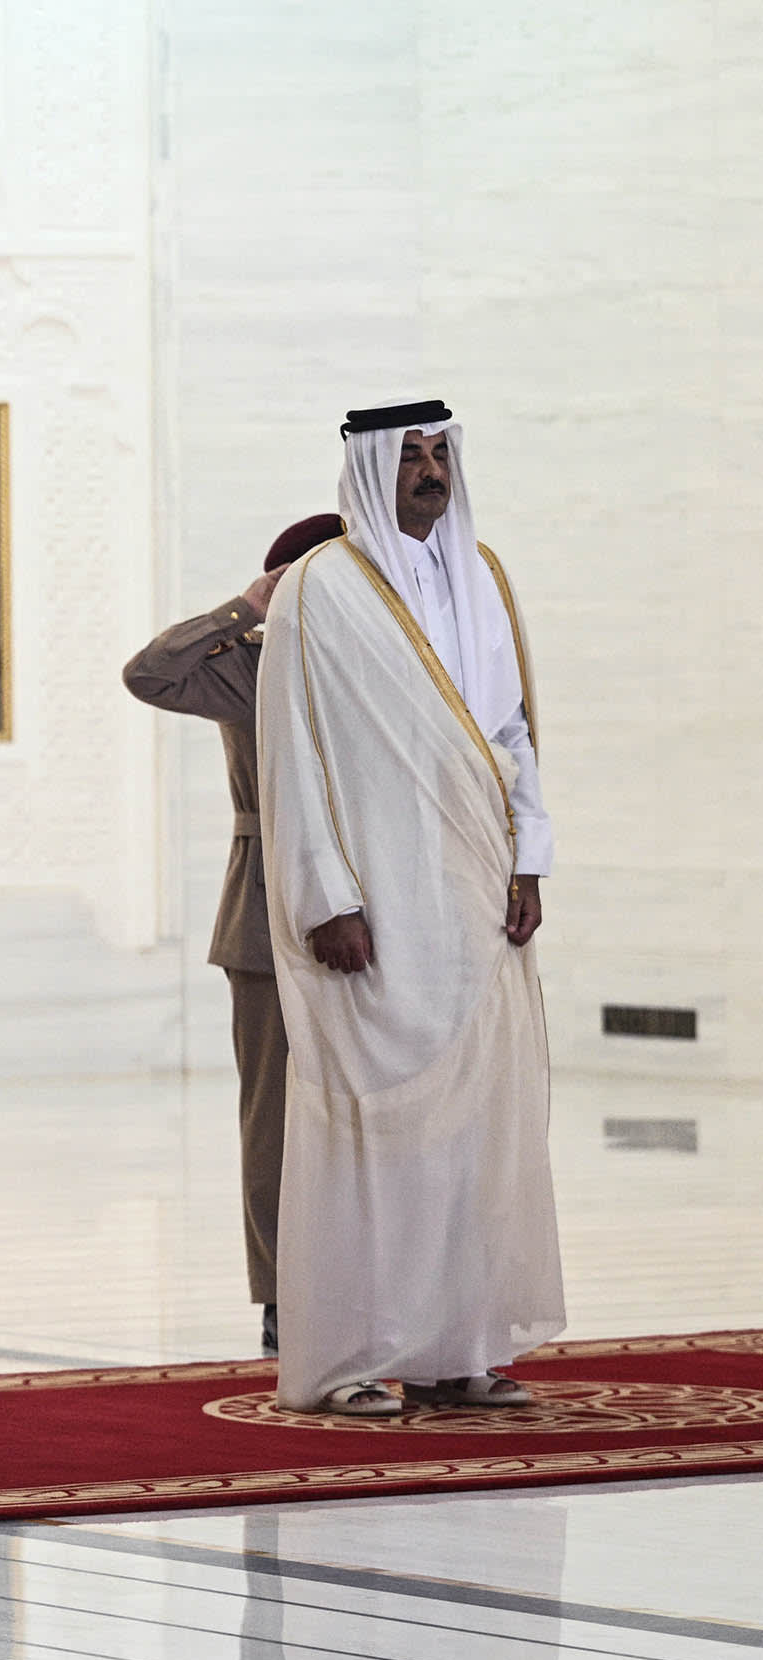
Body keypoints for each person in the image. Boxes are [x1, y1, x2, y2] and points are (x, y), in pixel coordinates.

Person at [258, 400, 560, 1416]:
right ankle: (346, 1355)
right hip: (373, 896)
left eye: (440, 454)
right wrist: (325, 895)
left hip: (474, 889)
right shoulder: (318, 590)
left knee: (474, 1123)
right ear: (369, 467)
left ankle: (454, 1348)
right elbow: (292, 752)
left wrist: (528, 859)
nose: (430, 471)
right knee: (370, 1124)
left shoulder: (484, 577)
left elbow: (511, 734)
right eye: (410, 457)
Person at [122, 512, 341, 1356]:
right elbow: (149, 673)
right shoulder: (250, 666)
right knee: (273, 1118)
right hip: (264, 908)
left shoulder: (376, 665)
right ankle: (282, 1291)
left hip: (379, 910)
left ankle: (370, 1281)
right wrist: (243, 608)